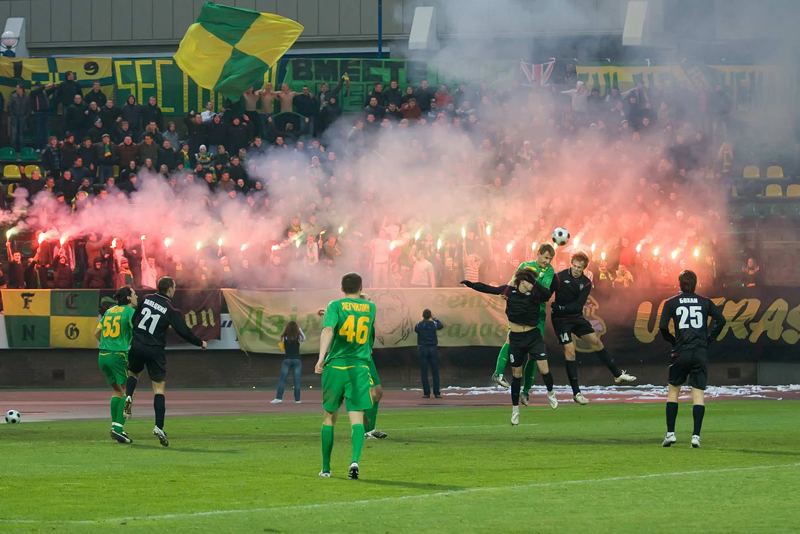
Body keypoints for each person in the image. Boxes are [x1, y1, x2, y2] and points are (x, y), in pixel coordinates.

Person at [462, 269, 556, 425]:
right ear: (522, 282)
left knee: (544, 369)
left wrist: (534, 282)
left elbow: (547, 295)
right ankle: (515, 410)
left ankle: (551, 393)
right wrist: (471, 285)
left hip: (533, 336)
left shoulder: (535, 293)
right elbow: (489, 289)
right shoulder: (509, 291)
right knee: (516, 375)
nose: (532, 285)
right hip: (517, 338)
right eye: (529, 282)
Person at [123, 277, 208, 447]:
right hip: (155, 349)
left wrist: (138, 335)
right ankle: (159, 426)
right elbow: (183, 331)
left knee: (133, 373)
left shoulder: (146, 298)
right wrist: (200, 343)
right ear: (169, 289)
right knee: (159, 388)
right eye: (173, 288)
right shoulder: (170, 308)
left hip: (138, 344)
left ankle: (129, 396)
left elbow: (134, 318)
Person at [551, 252, 636, 405]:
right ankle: (577, 393)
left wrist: (561, 307)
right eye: (574, 266)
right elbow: (547, 293)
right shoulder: (559, 276)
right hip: (560, 320)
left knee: (596, 342)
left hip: (576, 317)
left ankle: (617, 375)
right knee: (570, 350)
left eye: (579, 267)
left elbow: (578, 306)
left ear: (585, 268)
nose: (576, 269)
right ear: (571, 263)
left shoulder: (586, 283)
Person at [315, 272, 376, 479]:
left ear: (341, 289)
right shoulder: (371, 308)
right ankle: (354, 460)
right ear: (361, 287)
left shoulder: (335, 305)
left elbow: (328, 330)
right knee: (357, 418)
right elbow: (363, 304)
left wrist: (321, 358)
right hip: (359, 368)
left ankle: (326, 468)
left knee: (329, 417)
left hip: (336, 367)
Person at [659, 270, 726, 449]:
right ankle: (696, 436)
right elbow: (721, 320)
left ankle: (670, 433)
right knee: (698, 394)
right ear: (696, 284)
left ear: (679, 284)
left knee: (673, 391)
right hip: (700, 352)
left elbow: (662, 327)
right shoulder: (705, 302)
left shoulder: (671, 302)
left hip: (681, 351)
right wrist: (708, 340)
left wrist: (673, 341)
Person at [491, 244, 555, 406]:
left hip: (537, 315)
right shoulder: (525, 266)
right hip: (520, 311)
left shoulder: (549, 271)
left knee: (534, 356)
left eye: (550, 259)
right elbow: (512, 282)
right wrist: (506, 292)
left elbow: (543, 290)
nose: (547, 261)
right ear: (538, 254)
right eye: (545, 257)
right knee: (510, 338)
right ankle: (498, 373)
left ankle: (526, 391)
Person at [94, 286, 138, 444]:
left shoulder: (109, 311)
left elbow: (96, 333)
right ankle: (118, 428)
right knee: (129, 390)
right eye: (134, 294)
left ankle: (115, 427)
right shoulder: (130, 312)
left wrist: (107, 344)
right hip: (118, 355)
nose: (137, 297)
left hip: (103, 355)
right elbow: (137, 332)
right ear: (128, 298)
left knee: (117, 390)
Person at [271, 321, 306, 404]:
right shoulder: (298, 337)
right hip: (297, 359)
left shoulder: (284, 337)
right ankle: (297, 399)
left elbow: (282, 342)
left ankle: (278, 398)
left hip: (287, 359)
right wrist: (299, 329)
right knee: (297, 381)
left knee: (282, 380)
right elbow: (304, 338)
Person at [414, 309, 444, 399]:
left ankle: (426, 393)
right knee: (435, 371)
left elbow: (416, 330)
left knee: (424, 371)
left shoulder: (419, 324)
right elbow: (441, 326)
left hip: (423, 348)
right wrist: (434, 318)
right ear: (430, 315)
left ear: (422, 315)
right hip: (433, 348)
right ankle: (436, 393)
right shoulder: (434, 324)